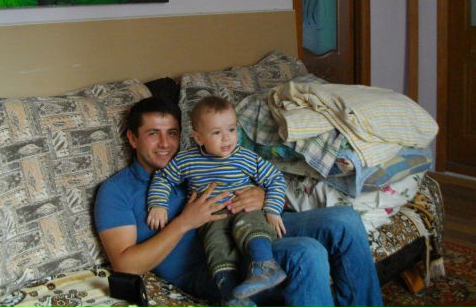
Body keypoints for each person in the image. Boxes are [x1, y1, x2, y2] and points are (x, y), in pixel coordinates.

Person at [94, 96, 384, 307]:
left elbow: (256, 176)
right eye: (152, 134)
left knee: (345, 220)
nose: (165, 144)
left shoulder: (193, 162)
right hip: (212, 263)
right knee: (305, 253)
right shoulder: (116, 191)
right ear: (133, 139)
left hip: (249, 225)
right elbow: (125, 264)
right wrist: (184, 223)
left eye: (172, 133)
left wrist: (261, 195)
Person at [147, 96, 287, 306]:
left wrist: (272, 209)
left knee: (250, 224)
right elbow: (163, 178)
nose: (227, 138)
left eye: (231, 129)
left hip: (243, 208)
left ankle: (264, 266)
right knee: (215, 245)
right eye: (216, 133)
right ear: (198, 137)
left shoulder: (246, 157)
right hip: (211, 217)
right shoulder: (187, 159)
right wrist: (158, 204)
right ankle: (232, 297)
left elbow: (275, 178)